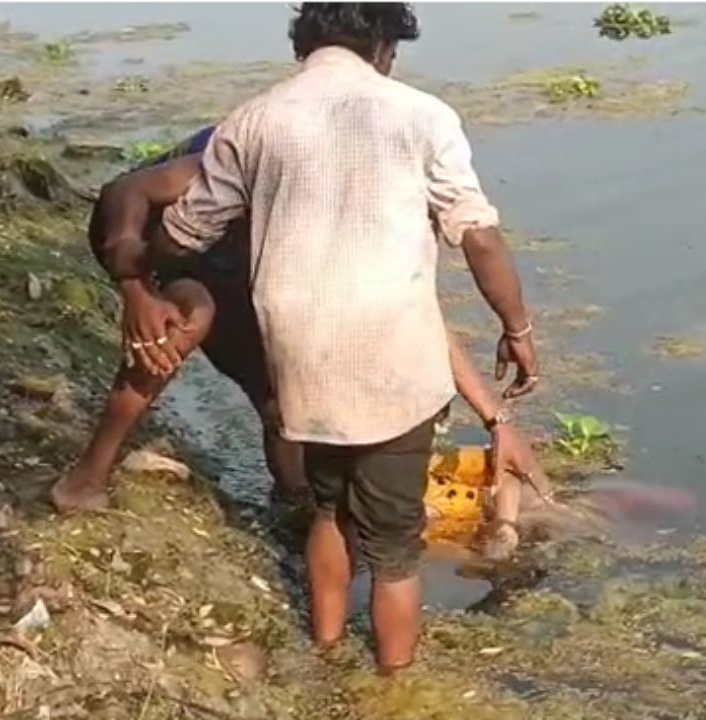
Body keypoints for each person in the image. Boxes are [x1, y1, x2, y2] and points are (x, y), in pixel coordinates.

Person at [144, 3, 539, 673]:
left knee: (328, 508)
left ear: (306, 42)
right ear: (382, 43)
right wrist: (516, 328)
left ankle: (326, 646)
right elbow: (478, 235)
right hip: (391, 356)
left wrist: (139, 273)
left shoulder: (254, 118)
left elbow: (186, 230)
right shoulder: (422, 115)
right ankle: (392, 679)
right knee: (395, 546)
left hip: (299, 350)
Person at [52, 126, 547, 542]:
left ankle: (295, 507)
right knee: (187, 316)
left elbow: (418, 314)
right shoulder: (266, 155)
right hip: (147, 237)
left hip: (246, 260)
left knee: (279, 399)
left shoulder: (367, 227)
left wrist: (497, 420)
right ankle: (85, 479)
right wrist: (137, 294)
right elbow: (127, 193)